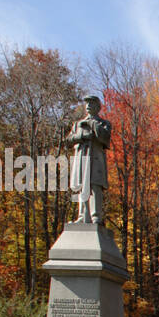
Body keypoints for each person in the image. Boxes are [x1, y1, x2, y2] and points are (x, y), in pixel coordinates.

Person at [65, 94, 111, 224]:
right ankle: (82, 216)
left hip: (96, 160)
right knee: (81, 186)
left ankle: (95, 216)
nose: (89, 106)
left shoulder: (104, 123)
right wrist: (81, 136)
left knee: (95, 186)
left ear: (98, 107)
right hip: (81, 159)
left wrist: (92, 124)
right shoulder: (78, 124)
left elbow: (105, 138)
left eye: (92, 103)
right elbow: (69, 140)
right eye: (87, 103)